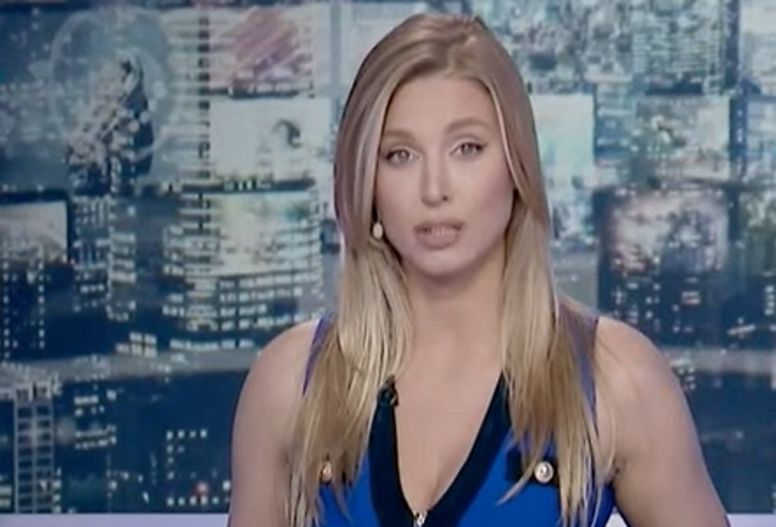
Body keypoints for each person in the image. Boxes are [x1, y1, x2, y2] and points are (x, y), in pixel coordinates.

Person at [228, 13, 728, 527]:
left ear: (516, 166)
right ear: (368, 183)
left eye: (467, 149)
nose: (434, 189)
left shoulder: (616, 380)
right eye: (399, 155)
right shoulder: (290, 385)